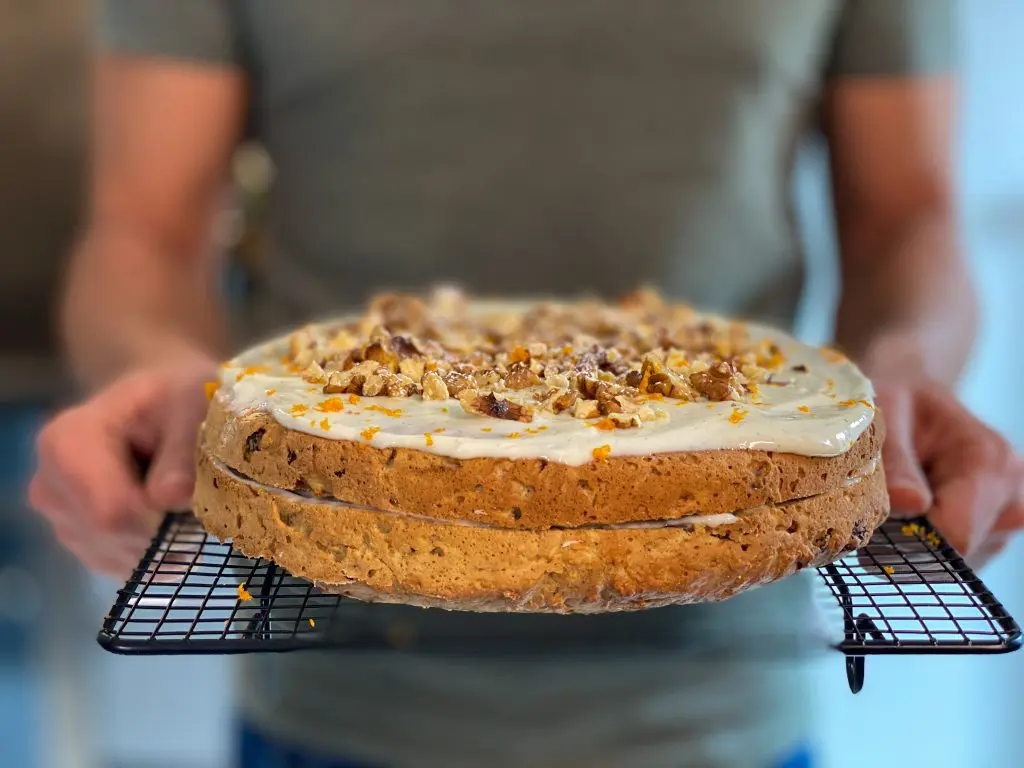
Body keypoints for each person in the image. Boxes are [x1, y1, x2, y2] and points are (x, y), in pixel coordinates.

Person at [28, 1, 1024, 766]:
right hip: (334, 704)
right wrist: (162, 373)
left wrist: (904, 371)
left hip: (721, 708)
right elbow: (141, 234)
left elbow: (909, 218)